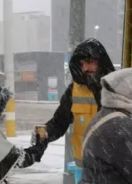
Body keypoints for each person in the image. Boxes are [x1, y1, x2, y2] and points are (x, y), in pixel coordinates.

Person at [37, 38, 115, 166]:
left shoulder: (115, 88)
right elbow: (59, 122)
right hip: (83, 166)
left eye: (90, 62)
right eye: (82, 63)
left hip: (111, 168)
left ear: (100, 63)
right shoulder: (73, 91)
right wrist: (43, 134)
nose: (85, 67)